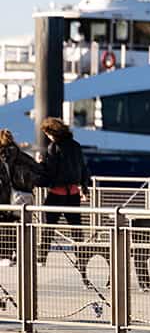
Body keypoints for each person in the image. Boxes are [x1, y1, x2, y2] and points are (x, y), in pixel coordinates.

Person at [38, 117, 92, 286]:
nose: (48, 138)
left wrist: (41, 163)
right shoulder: (75, 145)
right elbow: (83, 168)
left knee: (48, 227)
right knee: (76, 228)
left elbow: (50, 172)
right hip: (74, 192)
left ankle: (42, 258)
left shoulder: (54, 147)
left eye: (48, 134)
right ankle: (81, 259)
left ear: (52, 133)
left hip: (56, 193)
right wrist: (84, 188)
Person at [0, 129, 41, 208]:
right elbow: (38, 170)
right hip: (23, 198)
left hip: (4, 199)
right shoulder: (22, 156)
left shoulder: (2, 157)